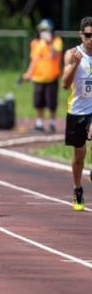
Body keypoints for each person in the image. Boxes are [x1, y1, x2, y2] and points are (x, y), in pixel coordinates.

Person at [62, 16, 92, 212]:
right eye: (88, 35)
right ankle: (77, 188)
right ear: (81, 35)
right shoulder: (72, 54)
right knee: (79, 154)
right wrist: (74, 64)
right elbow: (65, 84)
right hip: (77, 110)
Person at [22, 19, 63, 132]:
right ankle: (39, 123)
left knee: (51, 102)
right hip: (38, 77)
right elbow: (34, 60)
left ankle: (52, 123)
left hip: (52, 77)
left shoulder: (56, 41)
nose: (44, 32)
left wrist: (49, 42)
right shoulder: (35, 43)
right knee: (38, 101)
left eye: (46, 30)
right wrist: (28, 73)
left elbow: (55, 54)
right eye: (42, 29)